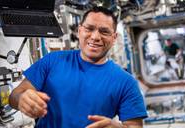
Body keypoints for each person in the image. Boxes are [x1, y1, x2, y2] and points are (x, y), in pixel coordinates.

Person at [9, 6, 148, 128]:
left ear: (114, 38)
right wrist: (22, 98)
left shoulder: (126, 83)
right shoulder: (52, 61)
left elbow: (134, 126)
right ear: (79, 31)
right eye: (89, 29)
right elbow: (14, 95)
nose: (95, 37)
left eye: (104, 32)